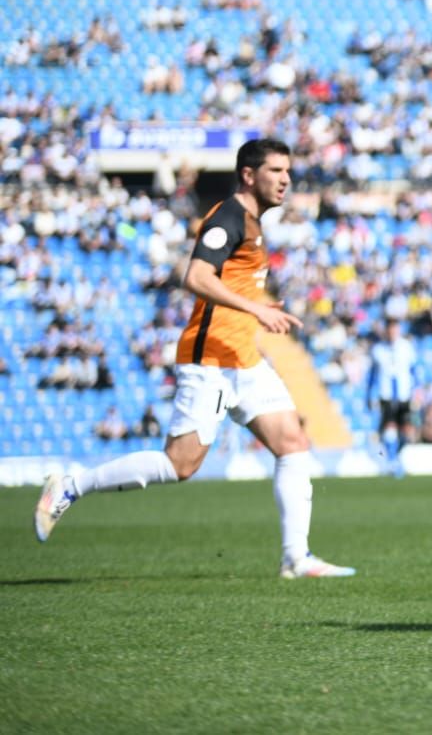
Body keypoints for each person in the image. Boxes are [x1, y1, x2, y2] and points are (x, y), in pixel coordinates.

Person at [33, 140, 356, 579]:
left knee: (293, 444)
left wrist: (256, 312)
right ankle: (70, 486)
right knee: (179, 464)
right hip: (210, 360)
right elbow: (196, 276)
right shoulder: (228, 218)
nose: (286, 179)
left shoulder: (254, 223)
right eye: (276, 170)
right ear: (248, 174)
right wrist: (257, 309)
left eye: (288, 171)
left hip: (242, 358)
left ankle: (295, 559)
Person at [367, 319, 418, 478]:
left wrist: (417, 391)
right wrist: (369, 394)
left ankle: (396, 457)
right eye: (389, 329)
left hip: (404, 394)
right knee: (389, 428)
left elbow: (414, 371)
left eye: (394, 329)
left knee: (407, 431)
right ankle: (392, 461)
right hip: (386, 395)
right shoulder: (378, 349)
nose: (392, 333)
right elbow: (373, 375)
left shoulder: (406, 347)